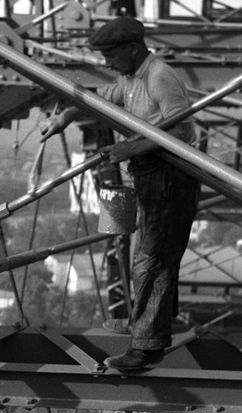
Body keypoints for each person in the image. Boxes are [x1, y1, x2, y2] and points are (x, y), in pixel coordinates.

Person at [40, 16, 199, 371]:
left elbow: (183, 130)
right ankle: (156, 323)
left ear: (133, 49)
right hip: (151, 178)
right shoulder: (130, 79)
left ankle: (146, 348)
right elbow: (98, 101)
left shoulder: (159, 77)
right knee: (157, 255)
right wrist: (65, 117)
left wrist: (129, 150)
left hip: (171, 177)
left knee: (152, 260)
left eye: (110, 55)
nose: (105, 63)